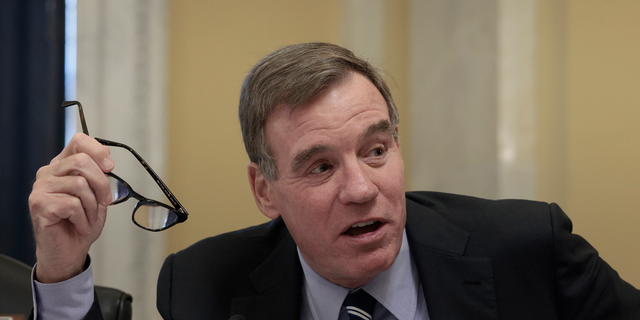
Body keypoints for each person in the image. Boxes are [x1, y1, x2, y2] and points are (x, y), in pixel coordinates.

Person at [29, 42, 640, 319]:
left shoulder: (530, 247)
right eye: (320, 166)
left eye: (376, 150)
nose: (360, 188)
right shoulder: (203, 286)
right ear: (264, 191)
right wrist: (61, 271)